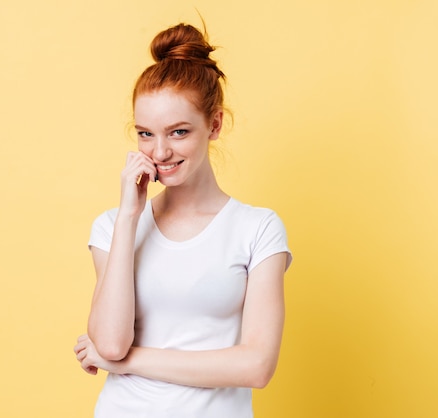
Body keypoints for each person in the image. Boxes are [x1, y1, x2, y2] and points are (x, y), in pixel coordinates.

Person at [73, 22, 292, 418]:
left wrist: (129, 362)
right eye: (145, 134)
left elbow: (257, 366)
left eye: (178, 132)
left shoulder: (258, 229)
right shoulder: (112, 227)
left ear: (215, 124)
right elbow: (109, 344)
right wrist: (128, 217)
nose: (159, 151)